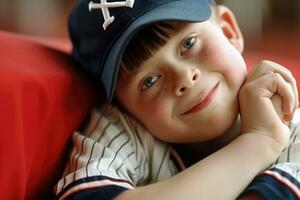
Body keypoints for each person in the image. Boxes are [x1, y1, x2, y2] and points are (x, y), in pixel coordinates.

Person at [54, 0, 300, 199]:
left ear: (228, 30)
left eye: (188, 43)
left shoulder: (293, 129)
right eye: (149, 81)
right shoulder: (127, 128)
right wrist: (259, 143)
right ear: (123, 108)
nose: (183, 78)